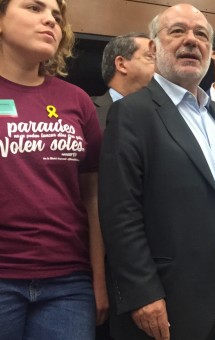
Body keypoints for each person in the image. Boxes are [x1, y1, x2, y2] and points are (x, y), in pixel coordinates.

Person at [99, 4, 215, 339]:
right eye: (177, 31)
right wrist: (142, 292)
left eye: (201, 34)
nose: (191, 40)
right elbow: (120, 213)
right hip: (170, 294)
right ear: (153, 46)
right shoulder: (131, 113)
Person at [0, 0, 106, 338]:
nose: (50, 20)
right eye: (34, 8)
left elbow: (93, 196)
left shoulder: (77, 101)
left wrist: (99, 278)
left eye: (57, 17)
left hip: (69, 284)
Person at [93, 32, 155, 129]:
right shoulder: (86, 109)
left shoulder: (166, 113)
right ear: (121, 65)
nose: (159, 65)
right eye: (150, 57)